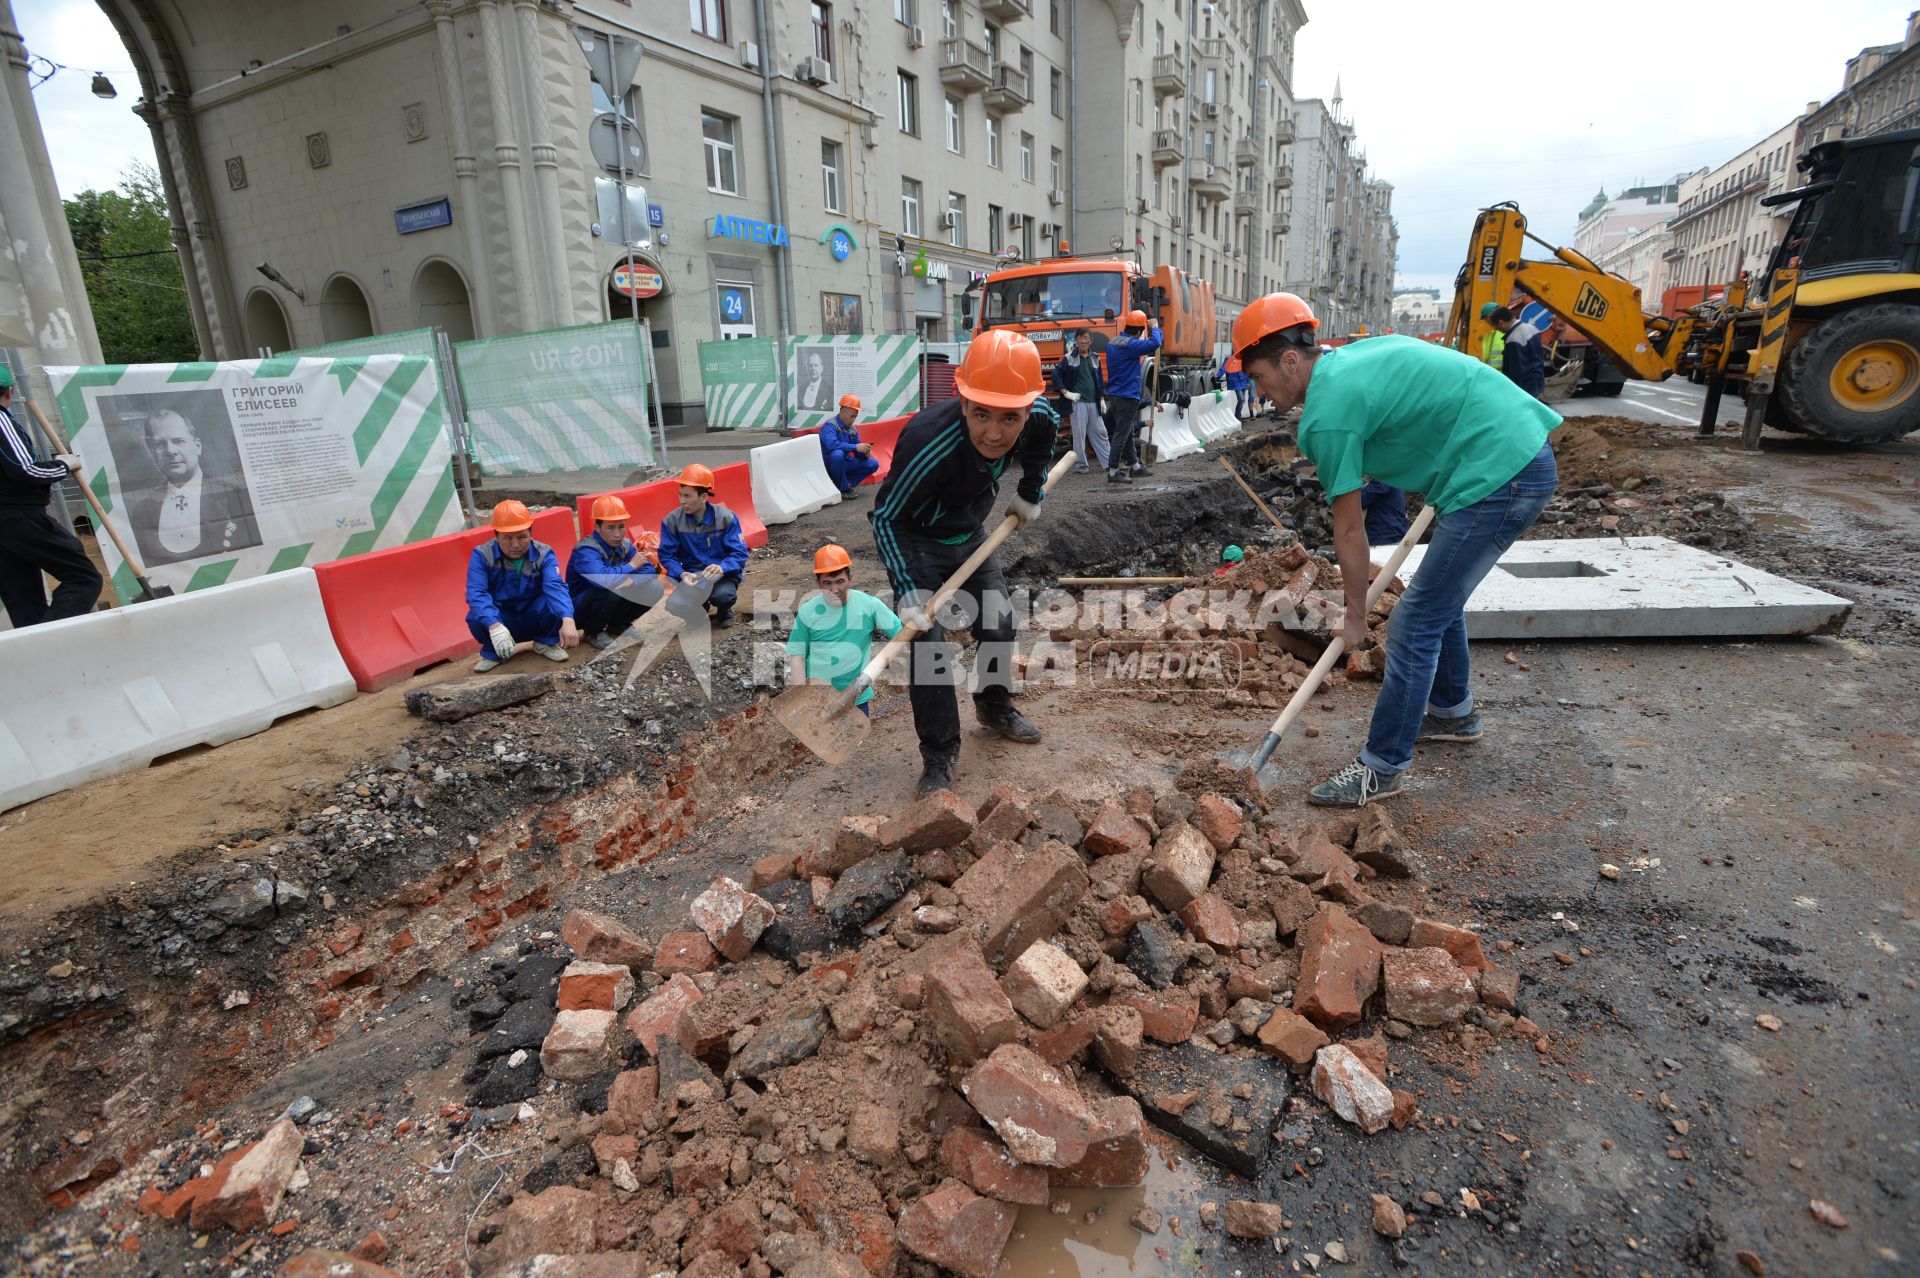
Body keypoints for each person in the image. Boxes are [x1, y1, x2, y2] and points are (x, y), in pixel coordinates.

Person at [1232, 291, 1561, 807]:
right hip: (1500, 453)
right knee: (1436, 599)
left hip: (1501, 469)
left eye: (1257, 376)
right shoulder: (1343, 365)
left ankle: (1382, 768)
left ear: (1290, 360)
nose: (1257, 389)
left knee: (1415, 620)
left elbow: (1348, 530)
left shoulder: (1328, 415)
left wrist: (1356, 615)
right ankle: (1453, 713)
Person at [870, 328, 1054, 796]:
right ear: (962, 397)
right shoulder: (928, 439)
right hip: (915, 540)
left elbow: (1043, 439)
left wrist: (1030, 493)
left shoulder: (1038, 418)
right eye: (981, 414)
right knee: (927, 646)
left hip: (970, 534)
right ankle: (939, 754)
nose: (994, 432)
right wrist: (908, 585)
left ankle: (993, 706)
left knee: (998, 621)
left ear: (1027, 409)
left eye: (1010, 418)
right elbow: (887, 517)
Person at [0, 366, 100, 627]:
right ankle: (53, 643)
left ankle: (39, 657)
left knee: (24, 601)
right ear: (9, 392)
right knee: (83, 577)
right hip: (18, 516)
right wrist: (64, 465)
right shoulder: (1, 419)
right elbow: (26, 469)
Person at [127, 408, 260, 565]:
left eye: (178, 441)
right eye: (159, 444)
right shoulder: (143, 509)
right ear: (151, 452)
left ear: (197, 446)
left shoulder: (234, 497)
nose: (170, 451)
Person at [785, 543, 903, 718]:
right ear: (818, 583)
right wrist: (801, 696)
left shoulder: (870, 606)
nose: (834, 589)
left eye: (840, 581)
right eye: (827, 583)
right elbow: (798, 656)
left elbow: (901, 636)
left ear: (850, 579)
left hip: (856, 696)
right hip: (818, 699)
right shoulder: (808, 612)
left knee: (854, 744)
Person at [466, 499, 579, 672]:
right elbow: (477, 593)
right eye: (507, 538)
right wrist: (494, 626)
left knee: (555, 603)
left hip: (533, 612)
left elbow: (554, 586)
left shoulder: (544, 553)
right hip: (501, 616)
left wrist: (567, 618)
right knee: (476, 615)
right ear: (496, 536)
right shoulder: (482, 555)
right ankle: (494, 651)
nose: (516, 545)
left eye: (522, 537)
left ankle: (545, 642)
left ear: (530, 533)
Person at [658, 463, 750, 629]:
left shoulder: (725, 518)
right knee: (674, 604)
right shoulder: (671, 521)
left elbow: (740, 553)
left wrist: (722, 567)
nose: (682, 501)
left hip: (722, 575)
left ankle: (724, 611)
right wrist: (681, 573)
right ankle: (699, 613)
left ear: (704, 497)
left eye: (687, 496)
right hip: (693, 577)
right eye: (680, 495)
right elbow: (666, 555)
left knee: (724, 596)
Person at [567, 494, 662, 649]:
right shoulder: (586, 550)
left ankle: (618, 624)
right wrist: (631, 566)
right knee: (609, 589)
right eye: (610, 527)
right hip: (579, 609)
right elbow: (603, 580)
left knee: (654, 588)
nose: (617, 534)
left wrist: (631, 580)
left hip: (609, 599)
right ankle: (593, 632)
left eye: (621, 526)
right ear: (597, 527)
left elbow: (649, 570)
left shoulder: (625, 545)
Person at [1102, 309, 1162, 484]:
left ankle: (1135, 466)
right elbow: (1155, 343)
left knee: (1126, 432)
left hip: (1116, 394)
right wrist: (1155, 327)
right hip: (1126, 395)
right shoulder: (1130, 345)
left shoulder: (1114, 342)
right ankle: (1113, 471)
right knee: (1121, 434)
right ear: (1140, 330)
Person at [1052, 329, 1109, 473]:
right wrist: (1066, 393)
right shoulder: (1069, 358)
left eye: (1085, 338)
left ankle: (1108, 463)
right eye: (1080, 338)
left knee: (1101, 432)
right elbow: (1056, 374)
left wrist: (1102, 398)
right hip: (1078, 403)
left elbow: (1099, 380)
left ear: (1091, 340)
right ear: (1076, 340)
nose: (1083, 341)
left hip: (1093, 402)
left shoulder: (1095, 357)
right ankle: (1081, 465)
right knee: (1079, 435)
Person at [818, 394, 879, 494]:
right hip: (828, 467)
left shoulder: (852, 429)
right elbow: (832, 445)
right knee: (837, 454)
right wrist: (855, 447)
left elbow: (857, 453)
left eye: (855, 416)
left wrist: (864, 452)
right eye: (852, 416)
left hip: (844, 464)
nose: (853, 419)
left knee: (873, 463)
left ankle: (843, 485)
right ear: (843, 412)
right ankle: (844, 488)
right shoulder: (830, 426)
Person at [1490, 306, 1547, 399]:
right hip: (1538, 378)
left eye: (1496, 327)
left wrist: (1511, 392)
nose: (1497, 330)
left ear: (1501, 323)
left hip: (1525, 385)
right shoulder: (1531, 328)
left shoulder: (1513, 339)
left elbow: (1516, 370)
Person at [1360, 479, 1411, 545]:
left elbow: (1361, 500)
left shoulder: (1383, 480)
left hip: (1384, 536)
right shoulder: (1394, 480)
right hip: (1392, 534)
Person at [1476, 302, 1506, 369]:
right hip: (1495, 373)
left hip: (1501, 374)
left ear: (1489, 317)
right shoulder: (1492, 335)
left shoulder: (1504, 333)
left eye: (1484, 318)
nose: (1486, 322)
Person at [1224, 355, 1254, 419]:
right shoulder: (1229, 359)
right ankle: (1237, 416)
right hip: (1236, 382)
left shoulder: (1243, 358)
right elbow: (1224, 367)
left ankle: (1238, 415)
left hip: (1243, 381)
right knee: (1241, 399)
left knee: (1242, 400)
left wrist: (1248, 381)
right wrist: (1218, 376)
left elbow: (1247, 370)